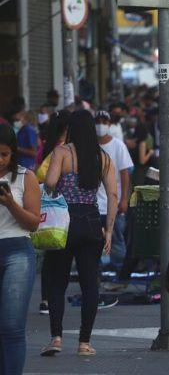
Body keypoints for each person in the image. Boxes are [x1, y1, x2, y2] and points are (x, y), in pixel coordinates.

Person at [41, 109, 117, 357]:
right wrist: (109, 231)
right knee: (89, 284)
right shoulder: (103, 157)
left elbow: (50, 182)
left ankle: (56, 337)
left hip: (63, 223)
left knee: (57, 281)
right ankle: (85, 342)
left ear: (71, 128)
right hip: (92, 222)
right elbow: (113, 196)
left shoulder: (62, 152)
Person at [0, 124, 41, 374]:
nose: (0, 160)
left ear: (12, 153)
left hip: (17, 251)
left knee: (12, 327)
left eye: (4, 154)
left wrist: (10, 204)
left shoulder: (26, 177)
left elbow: (33, 223)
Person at [36, 110, 71, 315]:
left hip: (44, 203)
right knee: (62, 252)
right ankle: (55, 296)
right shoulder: (64, 150)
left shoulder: (45, 148)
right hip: (61, 204)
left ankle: (46, 299)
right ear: (67, 129)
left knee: (49, 254)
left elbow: (37, 172)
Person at [95, 111, 133, 271]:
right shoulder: (89, 145)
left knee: (117, 239)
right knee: (96, 241)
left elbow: (125, 173)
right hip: (95, 204)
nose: (100, 125)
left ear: (110, 124)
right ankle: (97, 271)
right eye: (97, 121)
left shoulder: (118, 145)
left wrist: (124, 199)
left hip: (114, 203)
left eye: (104, 121)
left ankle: (119, 271)